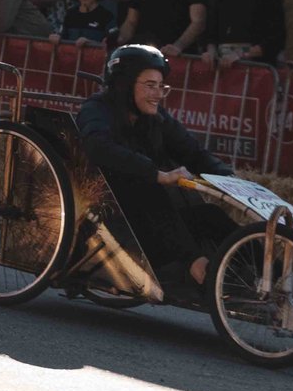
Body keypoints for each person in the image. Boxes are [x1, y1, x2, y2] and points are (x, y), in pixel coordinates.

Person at [76, 44, 234, 301]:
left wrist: (230, 180)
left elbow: (192, 152)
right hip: (112, 226)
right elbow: (98, 146)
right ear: (125, 85)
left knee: (210, 216)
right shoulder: (96, 109)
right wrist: (156, 173)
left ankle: (283, 281)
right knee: (150, 190)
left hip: (155, 223)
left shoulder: (154, 117)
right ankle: (199, 269)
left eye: (161, 87)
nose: (158, 94)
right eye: (150, 85)